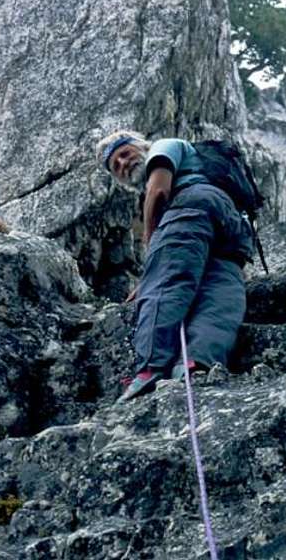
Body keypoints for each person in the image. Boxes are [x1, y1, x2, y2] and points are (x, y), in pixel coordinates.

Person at [96, 130, 254, 401]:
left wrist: (152, 250)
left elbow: (158, 190)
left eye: (124, 153)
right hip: (232, 226)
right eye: (116, 167)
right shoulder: (202, 165)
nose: (123, 164)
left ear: (140, 146)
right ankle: (198, 361)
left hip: (191, 204)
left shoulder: (164, 146)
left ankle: (150, 367)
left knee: (165, 284)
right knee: (220, 292)